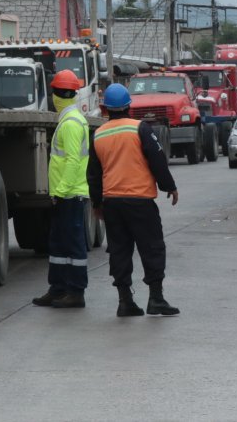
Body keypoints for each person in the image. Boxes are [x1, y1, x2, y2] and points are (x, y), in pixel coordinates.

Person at [87, 84, 180, 317]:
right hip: (140, 201)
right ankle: (156, 299)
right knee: (152, 248)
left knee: (119, 250)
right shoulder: (140, 128)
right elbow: (157, 159)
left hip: (112, 203)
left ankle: (125, 301)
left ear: (105, 108)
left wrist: (97, 204)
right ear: (129, 106)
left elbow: (94, 174)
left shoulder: (98, 134)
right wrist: (169, 186)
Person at [32, 69, 91, 309]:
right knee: (58, 244)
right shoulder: (69, 120)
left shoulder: (71, 123)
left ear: (57, 94)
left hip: (70, 194)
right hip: (65, 193)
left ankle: (76, 292)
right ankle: (58, 288)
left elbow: (73, 161)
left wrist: (61, 189)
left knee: (72, 244)